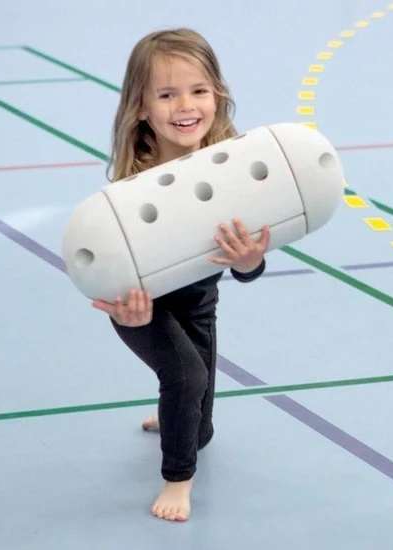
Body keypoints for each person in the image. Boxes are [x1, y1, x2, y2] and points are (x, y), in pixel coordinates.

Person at [91, 28, 270, 522]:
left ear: (218, 94)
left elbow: (249, 263)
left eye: (198, 91)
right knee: (186, 377)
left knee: (201, 426)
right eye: (167, 95)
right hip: (144, 307)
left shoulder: (231, 170)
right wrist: (125, 309)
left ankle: (179, 418)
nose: (186, 106)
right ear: (141, 107)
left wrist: (248, 260)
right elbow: (114, 265)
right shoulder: (134, 181)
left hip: (198, 303)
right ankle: (177, 479)